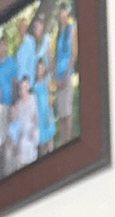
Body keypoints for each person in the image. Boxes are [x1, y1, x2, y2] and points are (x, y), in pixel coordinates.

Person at [53, 4, 77, 144]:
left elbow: (74, 53)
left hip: (67, 75)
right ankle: (63, 142)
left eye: (64, 16)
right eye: (60, 16)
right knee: (60, 113)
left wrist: (66, 74)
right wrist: (56, 77)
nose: (62, 18)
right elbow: (56, 57)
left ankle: (69, 140)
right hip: (58, 76)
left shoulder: (72, 28)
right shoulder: (58, 34)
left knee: (67, 111)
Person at [13, 76, 40, 168]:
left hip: (31, 131)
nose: (24, 89)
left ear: (28, 87)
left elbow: (36, 117)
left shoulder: (33, 99)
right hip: (21, 134)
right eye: (22, 87)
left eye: (25, 86)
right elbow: (15, 122)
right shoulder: (18, 104)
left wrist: (33, 130)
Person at [33, 56, 55, 157]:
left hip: (47, 114)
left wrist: (49, 116)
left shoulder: (47, 81)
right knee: (42, 147)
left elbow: (50, 99)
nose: (40, 70)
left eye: (42, 68)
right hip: (39, 118)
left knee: (50, 144)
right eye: (38, 68)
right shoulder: (34, 86)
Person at [0, 37, 18, 105]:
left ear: (6, 47)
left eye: (4, 45)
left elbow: (16, 81)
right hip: (1, 105)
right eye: (0, 46)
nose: (2, 48)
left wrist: (15, 101)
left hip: (13, 103)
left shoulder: (12, 61)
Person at [15, 13, 38, 87]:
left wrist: (30, 83)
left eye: (22, 26)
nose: (21, 29)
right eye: (19, 27)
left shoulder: (30, 42)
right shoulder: (19, 48)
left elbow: (32, 64)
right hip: (21, 86)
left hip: (29, 83)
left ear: (26, 27)